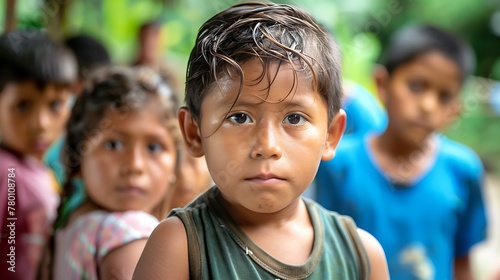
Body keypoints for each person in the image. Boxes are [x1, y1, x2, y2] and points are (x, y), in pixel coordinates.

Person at [133, 2, 389, 279]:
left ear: (330, 135)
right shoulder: (179, 247)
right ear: (194, 133)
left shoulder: (361, 255)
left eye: (294, 118)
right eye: (240, 117)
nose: (267, 146)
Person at [315, 24, 487, 280]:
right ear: (382, 84)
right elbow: (322, 252)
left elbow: (462, 259)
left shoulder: (463, 169)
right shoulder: (337, 163)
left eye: (444, 96)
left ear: (455, 110)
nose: (428, 105)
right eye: (416, 86)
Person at [37, 67, 182, 279]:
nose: (135, 165)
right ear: (77, 161)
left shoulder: (71, 228)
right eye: (113, 145)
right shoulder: (131, 232)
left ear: (175, 164)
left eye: (153, 148)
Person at [0, 30, 77, 280]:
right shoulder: (6, 172)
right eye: (23, 105)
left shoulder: (37, 170)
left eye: (55, 105)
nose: (41, 123)